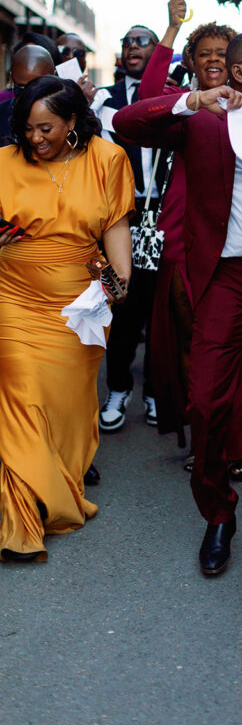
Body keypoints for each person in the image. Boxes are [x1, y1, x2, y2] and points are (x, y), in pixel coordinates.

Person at [112, 32, 242, 577]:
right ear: (237, 75)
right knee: (204, 402)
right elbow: (127, 123)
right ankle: (218, 514)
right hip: (225, 279)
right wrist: (191, 99)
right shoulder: (202, 122)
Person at [0, 77, 134, 561]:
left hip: (80, 305)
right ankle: (23, 518)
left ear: (73, 121)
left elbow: (116, 225)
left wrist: (118, 286)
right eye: (28, 128)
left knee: (66, 410)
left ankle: (51, 483)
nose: (35, 139)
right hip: (12, 298)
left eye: (47, 128)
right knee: (22, 399)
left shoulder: (107, 159)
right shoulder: (3, 163)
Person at [136, 6, 242, 481]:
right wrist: (171, 27)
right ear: (190, 61)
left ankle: (235, 440)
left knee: (241, 356)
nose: (212, 60)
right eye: (203, 53)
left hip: (241, 245)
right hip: (184, 246)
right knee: (194, 347)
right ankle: (206, 439)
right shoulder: (182, 105)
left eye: (222, 54)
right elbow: (145, 97)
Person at [92, 20, 172, 432]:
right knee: (119, 302)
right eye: (127, 41)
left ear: (158, 50)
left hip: (163, 212)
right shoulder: (103, 99)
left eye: (143, 40)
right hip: (118, 214)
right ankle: (119, 388)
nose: (133, 46)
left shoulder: (172, 93)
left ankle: (156, 392)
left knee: (161, 309)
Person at [0, 44, 56, 144]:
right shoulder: (2, 115)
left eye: (37, 87)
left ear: (54, 76)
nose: (30, 95)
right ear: (12, 77)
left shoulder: (67, 116)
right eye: (22, 88)